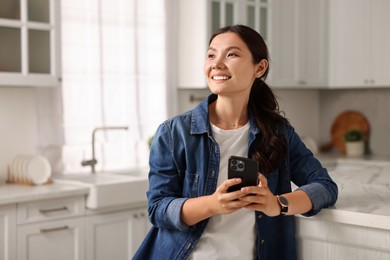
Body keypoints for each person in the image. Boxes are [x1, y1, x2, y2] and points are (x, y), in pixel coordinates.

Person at [133, 24, 338, 260]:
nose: (216, 64)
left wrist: (277, 204)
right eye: (211, 55)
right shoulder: (174, 133)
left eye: (231, 54)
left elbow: (325, 186)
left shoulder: (278, 133)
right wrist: (213, 204)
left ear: (259, 68)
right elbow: (157, 209)